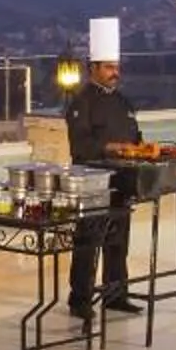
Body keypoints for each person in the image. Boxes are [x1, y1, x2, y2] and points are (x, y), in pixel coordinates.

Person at [62, 56, 142, 318]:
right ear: (93, 69)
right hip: (93, 180)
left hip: (122, 177)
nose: (115, 73)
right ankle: (80, 299)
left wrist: (139, 149)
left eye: (117, 67)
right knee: (88, 239)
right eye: (108, 67)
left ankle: (116, 295)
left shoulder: (123, 101)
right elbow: (80, 146)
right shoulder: (81, 101)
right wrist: (112, 147)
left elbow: (135, 137)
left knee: (119, 239)